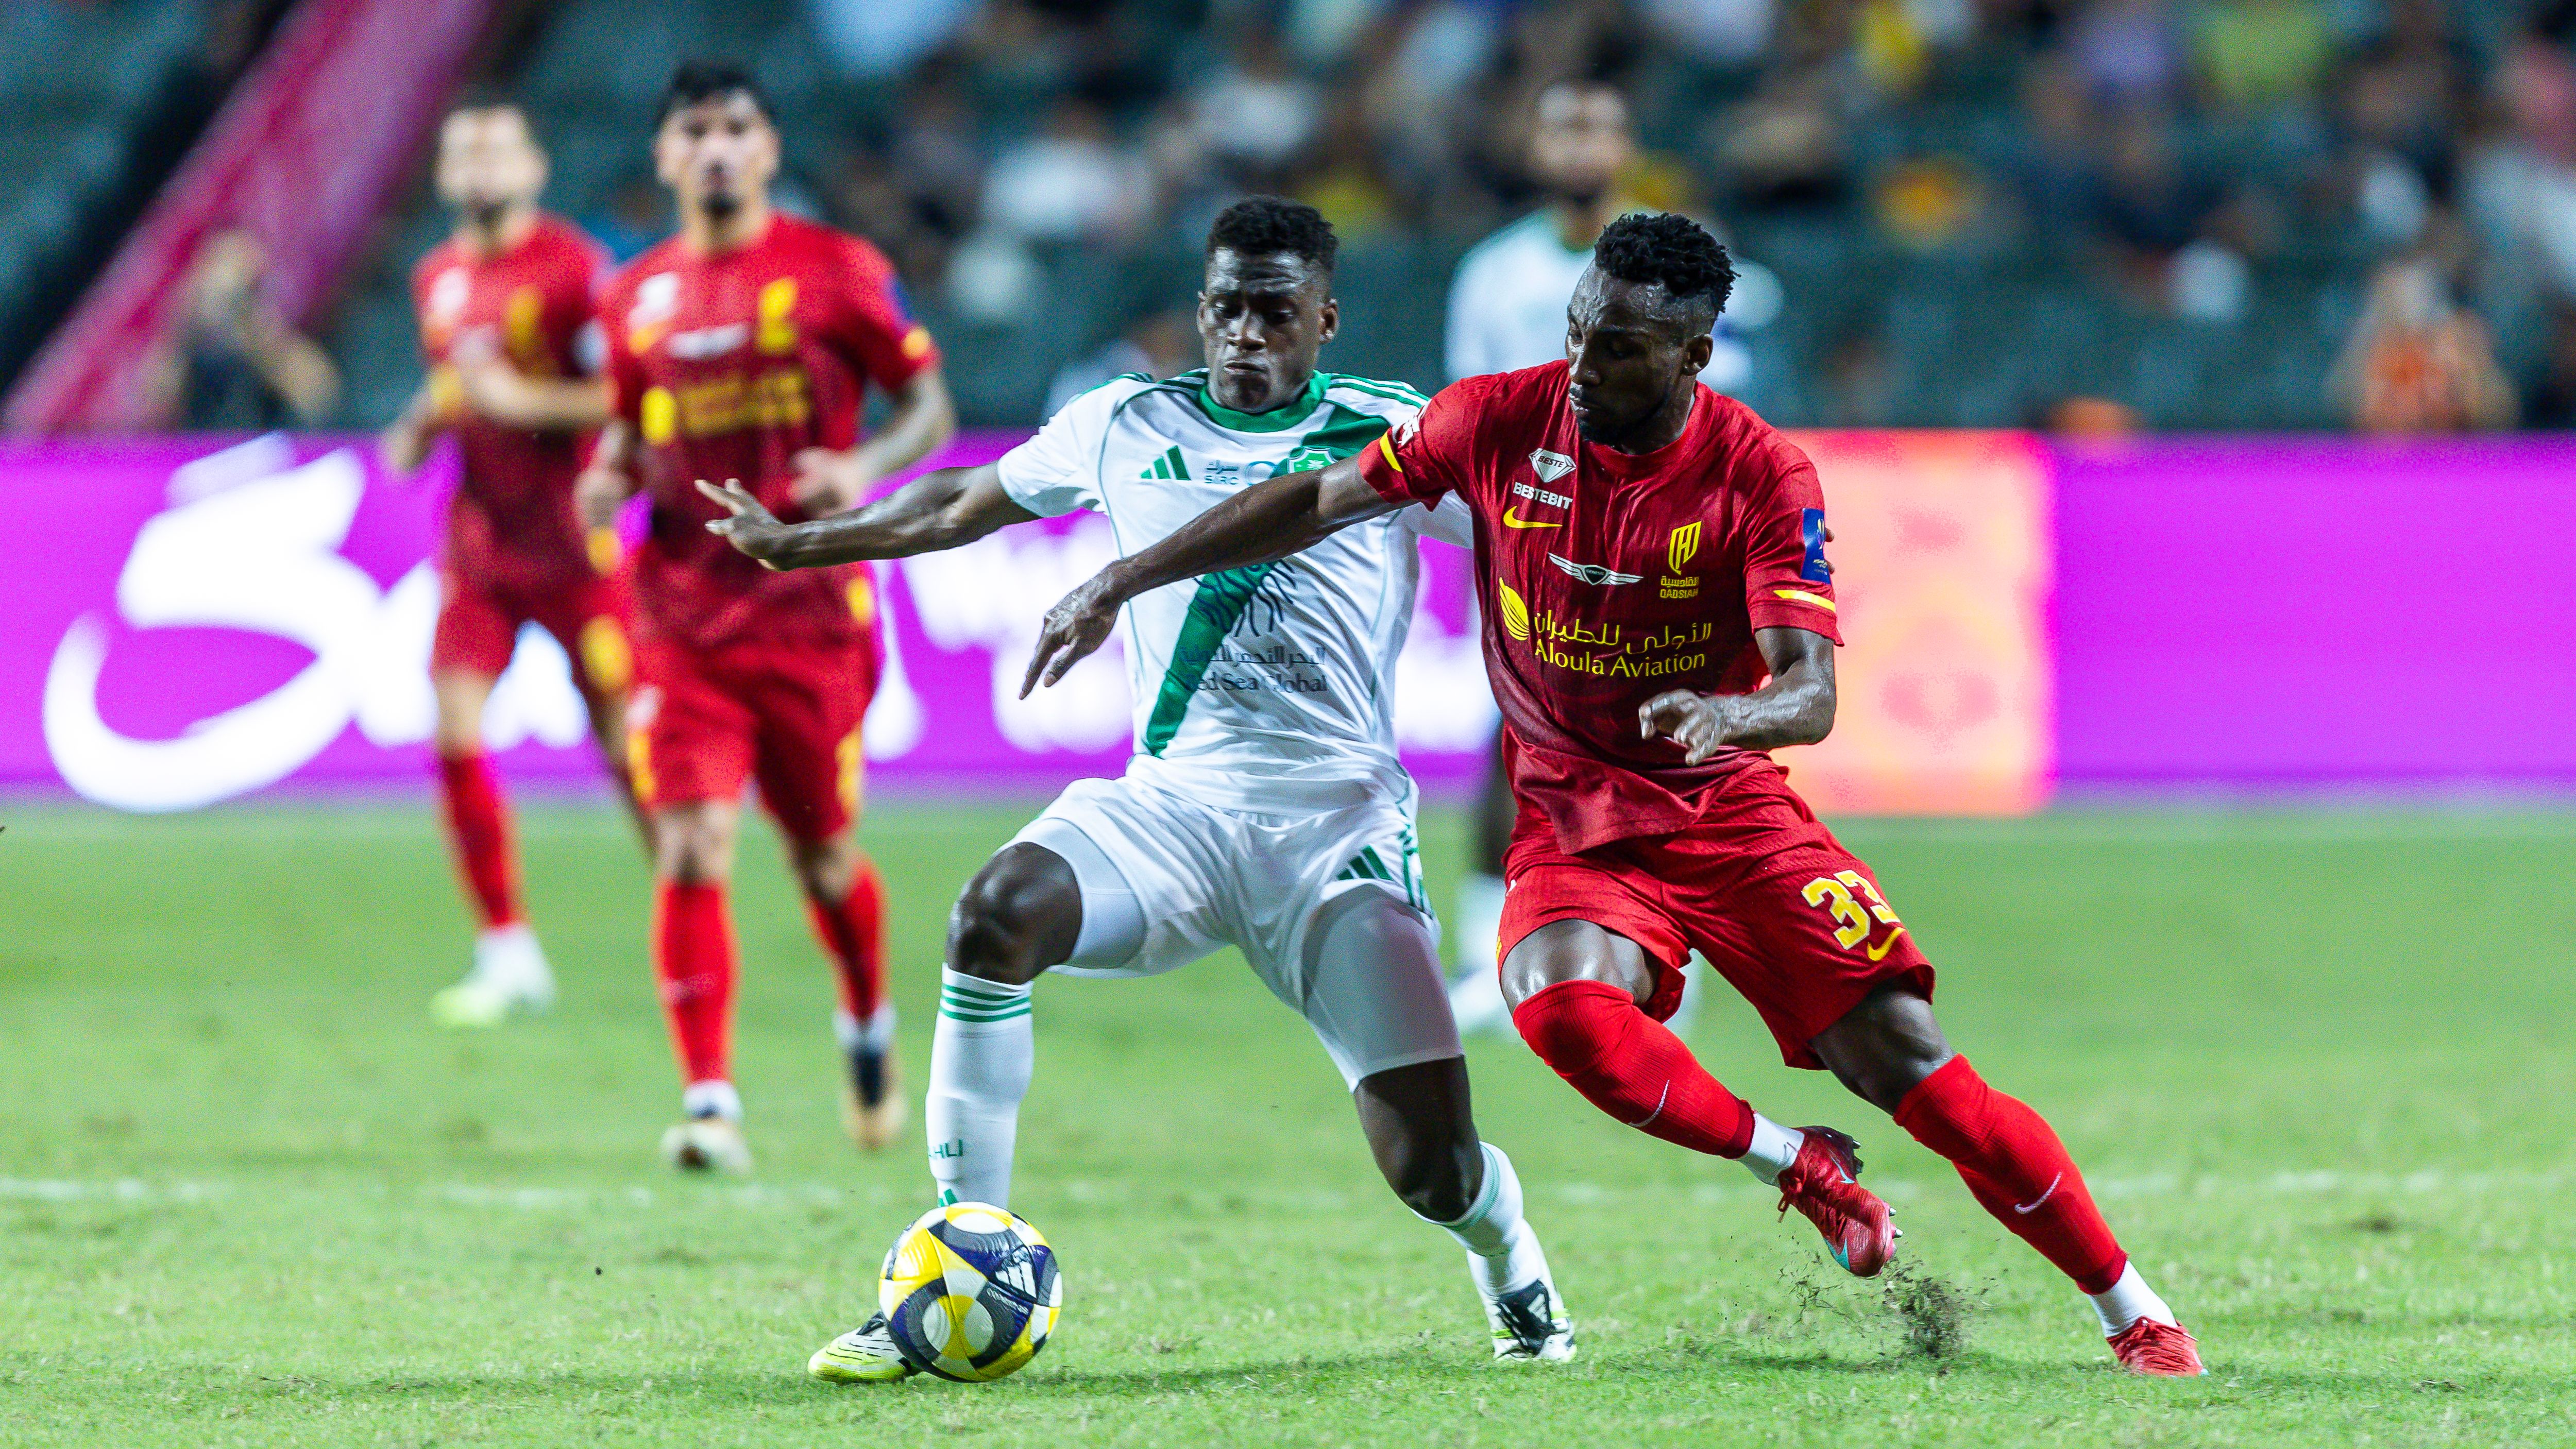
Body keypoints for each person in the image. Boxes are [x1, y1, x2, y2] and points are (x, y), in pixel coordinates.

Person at [1023, 212, 2206, 1377]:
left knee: (1910, 1070)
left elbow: (1811, 693)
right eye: (1580, 330)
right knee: (1558, 1009)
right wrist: (1124, 576)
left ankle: (2132, 1313)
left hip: (1726, 811)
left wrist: (1729, 716)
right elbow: (1316, 498)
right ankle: (1797, 1167)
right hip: (1573, 821)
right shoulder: (1494, 418)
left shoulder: (1757, 471)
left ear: (1692, 355)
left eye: (1623, 347)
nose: (1584, 366)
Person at [698, 197, 1575, 1379]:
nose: (1247, 337)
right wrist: (811, 540)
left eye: (1277, 312)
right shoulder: (1124, 421)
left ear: (1324, 319)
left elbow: (1541, 538)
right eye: (1228, 310)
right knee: (994, 914)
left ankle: (1510, 1259)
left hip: (1336, 831)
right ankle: (954, 1262)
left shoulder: (1397, 431)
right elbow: (965, 498)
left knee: (1434, 1172)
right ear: (1200, 313)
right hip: (1169, 809)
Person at [577, 61, 958, 1171]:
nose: (714, 149)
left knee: (823, 859)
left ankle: (866, 1022)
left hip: (809, 614)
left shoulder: (839, 269)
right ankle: (708, 1102)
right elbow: (625, 431)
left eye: (735, 128)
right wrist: (609, 478)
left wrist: (867, 463)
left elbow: (928, 403)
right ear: (663, 157)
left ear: (768, 149)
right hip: (681, 614)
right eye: (693, 130)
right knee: (691, 841)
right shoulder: (631, 294)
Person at [1442, 79, 1748, 1036]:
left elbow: (1723, 396)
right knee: (1515, 736)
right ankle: (1486, 952)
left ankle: (1668, 952)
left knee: (1665, 739)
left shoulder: (1677, 263)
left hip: (1658, 541)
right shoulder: (1494, 274)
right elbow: (1471, 412)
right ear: (1535, 149)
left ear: (1626, 145)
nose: (1581, 146)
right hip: (1534, 538)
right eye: (1563, 127)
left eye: (1598, 128)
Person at [380, 100, 636, 1028]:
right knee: (453, 727)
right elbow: (460, 379)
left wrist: (521, 399)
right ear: (446, 176)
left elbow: (624, 396)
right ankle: (507, 947)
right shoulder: (436, 277)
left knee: (625, 745)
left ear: (533, 167)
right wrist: (423, 419)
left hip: (575, 547)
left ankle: (687, 905)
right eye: (463, 154)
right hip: (481, 548)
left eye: (497, 151)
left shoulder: (575, 270)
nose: (481, 169)